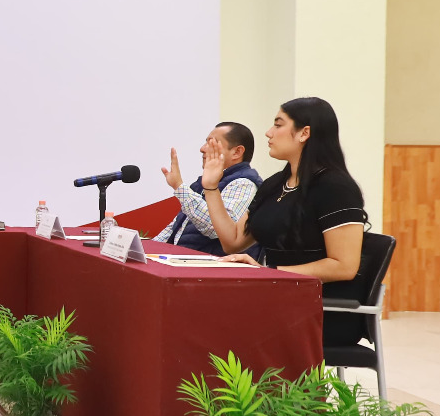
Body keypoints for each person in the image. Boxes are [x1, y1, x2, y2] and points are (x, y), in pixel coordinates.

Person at [197, 97, 369, 346]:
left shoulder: (336, 188)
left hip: (322, 307)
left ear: (304, 133)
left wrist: (268, 273)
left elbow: (344, 266)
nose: (269, 133)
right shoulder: (275, 184)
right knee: (199, 311)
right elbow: (232, 242)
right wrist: (211, 187)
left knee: (211, 322)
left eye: (278, 125)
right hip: (276, 294)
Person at [156, 122, 262, 256]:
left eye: (212, 143)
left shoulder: (244, 184)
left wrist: (179, 186)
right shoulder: (201, 184)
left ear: (237, 152)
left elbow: (216, 229)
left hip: (210, 267)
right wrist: (148, 250)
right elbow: (175, 229)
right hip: (181, 261)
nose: (202, 149)